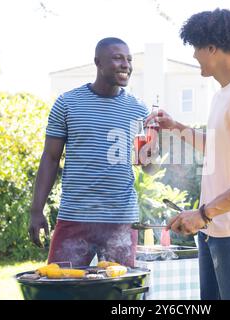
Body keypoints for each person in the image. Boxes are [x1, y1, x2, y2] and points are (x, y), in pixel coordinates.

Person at [146, 9, 230, 299]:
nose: (194, 55)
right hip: (216, 228)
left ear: (212, 48)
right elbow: (221, 148)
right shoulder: (224, 94)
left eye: (196, 47)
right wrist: (176, 127)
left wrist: (205, 213)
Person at [28, 37, 158, 268]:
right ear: (98, 62)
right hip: (75, 217)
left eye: (129, 59)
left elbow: (148, 167)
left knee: (120, 294)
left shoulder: (139, 109)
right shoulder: (67, 103)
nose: (126, 64)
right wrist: (37, 210)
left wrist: (153, 151)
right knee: (62, 290)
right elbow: (50, 157)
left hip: (121, 221)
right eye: (117, 58)